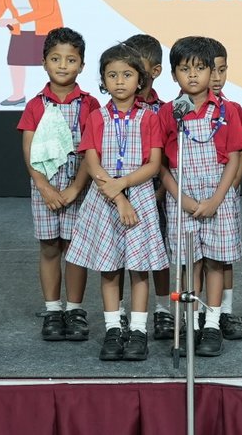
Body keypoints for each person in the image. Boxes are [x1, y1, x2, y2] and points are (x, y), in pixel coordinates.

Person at [65, 44, 167, 362]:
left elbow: (153, 165)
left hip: (138, 200)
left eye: (127, 75)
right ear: (103, 80)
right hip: (104, 201)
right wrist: (118, 197)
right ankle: (113, 328)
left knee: (139, 269)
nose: (119, 81)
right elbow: (92, 163)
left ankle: (137, 330)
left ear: (140, 80)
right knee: (109, 269)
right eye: (112, 75)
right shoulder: (96, 117)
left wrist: (123, 186)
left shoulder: (149, 118)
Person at [157, 36, 242, 358]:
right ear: (173, 75)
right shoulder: (169, 113)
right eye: (184, 69)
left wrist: (215, 200)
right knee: (189, 261)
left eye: (200, 69)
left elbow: (235, 157)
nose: (192, 76)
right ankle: (191, 322)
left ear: (213, 73)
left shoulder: (227, 112)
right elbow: (161, 165)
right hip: (182, 195)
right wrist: (184, 200)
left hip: (218, 195)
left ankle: (212, 322)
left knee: (215, 261)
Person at [17, 27, 99, 343]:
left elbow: (91, 149)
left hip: (78, 187)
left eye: (70, 59)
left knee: (75, 250)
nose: (62, 65)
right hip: (46, 188)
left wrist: (76, 189)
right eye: (55, 59)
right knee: (50, 247)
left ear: (81, 64)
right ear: (44, 62)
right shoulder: (36, 104)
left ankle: (74, 309)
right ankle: (53, 309)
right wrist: (44, 188)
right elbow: (29, 148)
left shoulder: (89, 105)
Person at [122, 33, 170, 338]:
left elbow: (167, 158)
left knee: (160, 252)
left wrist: (161, 192)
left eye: (138, 66)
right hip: (122, 194)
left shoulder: (164, 110)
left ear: (154, 71)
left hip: (158, 194)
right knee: (128, 254)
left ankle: (163, 310)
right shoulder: (113, 109)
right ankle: (126, 312)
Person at [209, 38, 242, 341]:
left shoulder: (232, 109)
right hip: (195, 193)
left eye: (222, 70)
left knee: (223, 256)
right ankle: (201, 312)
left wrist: (229, 189)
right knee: (198, 258)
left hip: (225, 192)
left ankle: (225, 311)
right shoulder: (181, 110)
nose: (216, 77)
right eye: (210, 70)